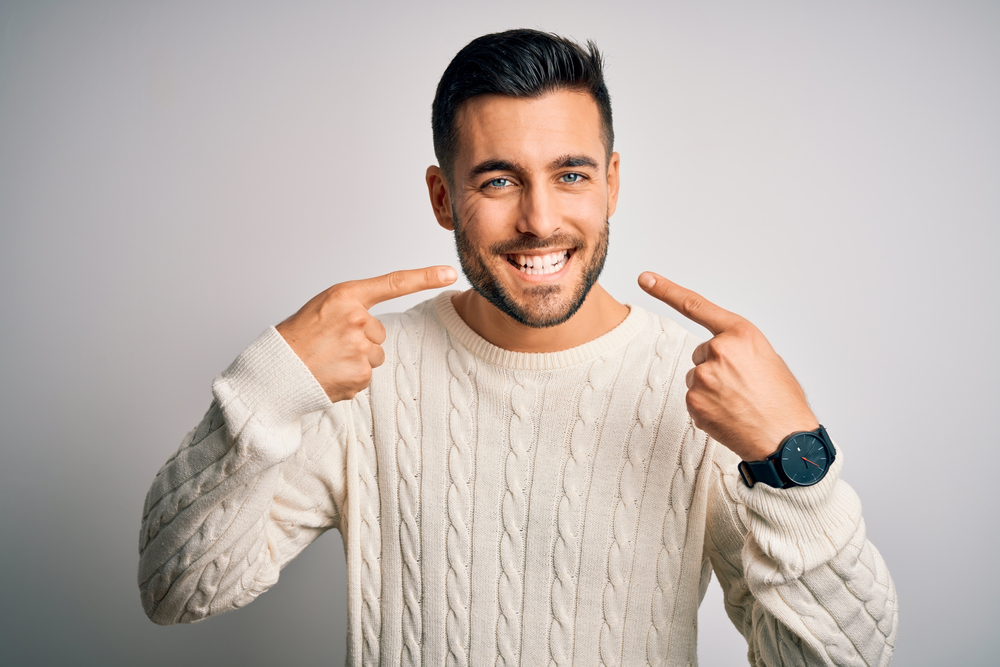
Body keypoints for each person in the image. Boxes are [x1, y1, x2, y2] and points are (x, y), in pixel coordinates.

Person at [138, 29, 897, 666]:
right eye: (499, 180)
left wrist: (794, 457)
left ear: (612, 183)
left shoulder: (702, 390)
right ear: (443, 198)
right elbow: (176, 589)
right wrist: (272, 382)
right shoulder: (364, 374)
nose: (539, 219)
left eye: (571, 174)